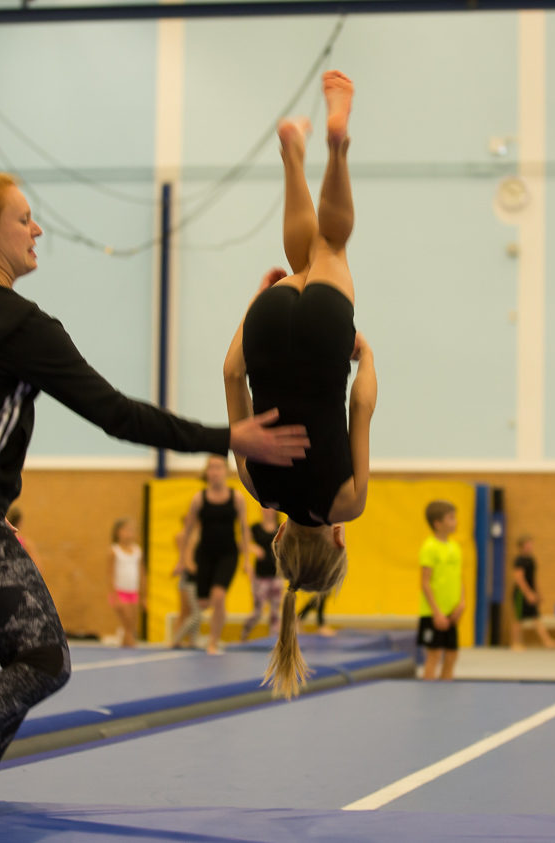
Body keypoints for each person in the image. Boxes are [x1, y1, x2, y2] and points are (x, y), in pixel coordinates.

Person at [0, 172, 308, 820]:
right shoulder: (21, 326)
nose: (37, 230)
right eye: (24, 218)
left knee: (25, 657)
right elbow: (115, 414)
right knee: (45, 660)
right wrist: (229, 436)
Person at [222, 70, 377, 697]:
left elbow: (361, 408)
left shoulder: (347, 504)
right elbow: (232, 373)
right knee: (302, 259)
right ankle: (292, 156)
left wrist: (366, 358)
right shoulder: (254, 484)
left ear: (337, 540)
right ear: (280, 535)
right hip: (265, 331)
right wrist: (253, 305)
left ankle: (336, 146)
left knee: (332, 245)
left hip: (323, 347)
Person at [174, 456, 249, 655]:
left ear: (226, 471)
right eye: (211, 468)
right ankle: (204, 633)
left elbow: (244, 529)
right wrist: (182, 560)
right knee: (202, 603)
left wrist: (248, 561)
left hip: (228, 554)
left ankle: (212, 642)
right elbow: (187, 530)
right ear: (207, 472)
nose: (215, 472)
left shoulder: (237, 497)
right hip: (205, 554)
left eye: (218, 467)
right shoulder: (199, 499)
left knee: (218, 595)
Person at [418, 500, 464, 681]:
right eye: (451, 518)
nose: (455, 522)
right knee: (434, 654)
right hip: (433, 613)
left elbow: (459, 578)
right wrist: (437, 612)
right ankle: (428, 690)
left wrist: (461, 603)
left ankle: (446, 689)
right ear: (437, 523)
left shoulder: (455, 547)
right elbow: (425, 582)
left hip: (452, 611)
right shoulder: (429, 547)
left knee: (452, 655)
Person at [509, 535, 555, 651]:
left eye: (531, 543)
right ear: (522, 546)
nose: (531, 546)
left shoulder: (531, 560)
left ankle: (547, 641)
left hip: (531, 591)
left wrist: (538, 593)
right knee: (518, 618)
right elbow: (519, 579)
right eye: (528, 544)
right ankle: (514, 643)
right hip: (520, 593)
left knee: (536, 617)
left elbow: (533, 579)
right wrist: (528, 593)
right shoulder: (519, 560)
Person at [241, 507, 284, 640]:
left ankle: (274, 639)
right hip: (260, 576)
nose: (267, 511)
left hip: (276, 575)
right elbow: (242, 543)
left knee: (275, 612)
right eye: (265, 509)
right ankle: (244, 634)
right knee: (258, 611)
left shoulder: (281, 528)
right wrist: (253, 548)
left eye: (270, 509)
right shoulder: (255, 528)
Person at [108, 518, 143, 648]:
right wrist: (114, 595)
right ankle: (133, 646)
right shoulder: (114, 550)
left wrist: (144, 595)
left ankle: (124, 647)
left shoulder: (137, 550)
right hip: (119, 592)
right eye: (127, 530)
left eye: (132, 530)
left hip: (133, 591)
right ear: (118, 532)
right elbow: (110, 574)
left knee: (131, 624)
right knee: (128, 624)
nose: (130, 533)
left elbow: (142, 573)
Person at [171, 525, 201, 649]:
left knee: (191, 612)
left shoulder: (195, 538)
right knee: (189, 613)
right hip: (188, 580)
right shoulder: (186, 537)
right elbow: (188, 564)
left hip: (190, 580)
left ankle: (192, 640)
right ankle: (176, 640)